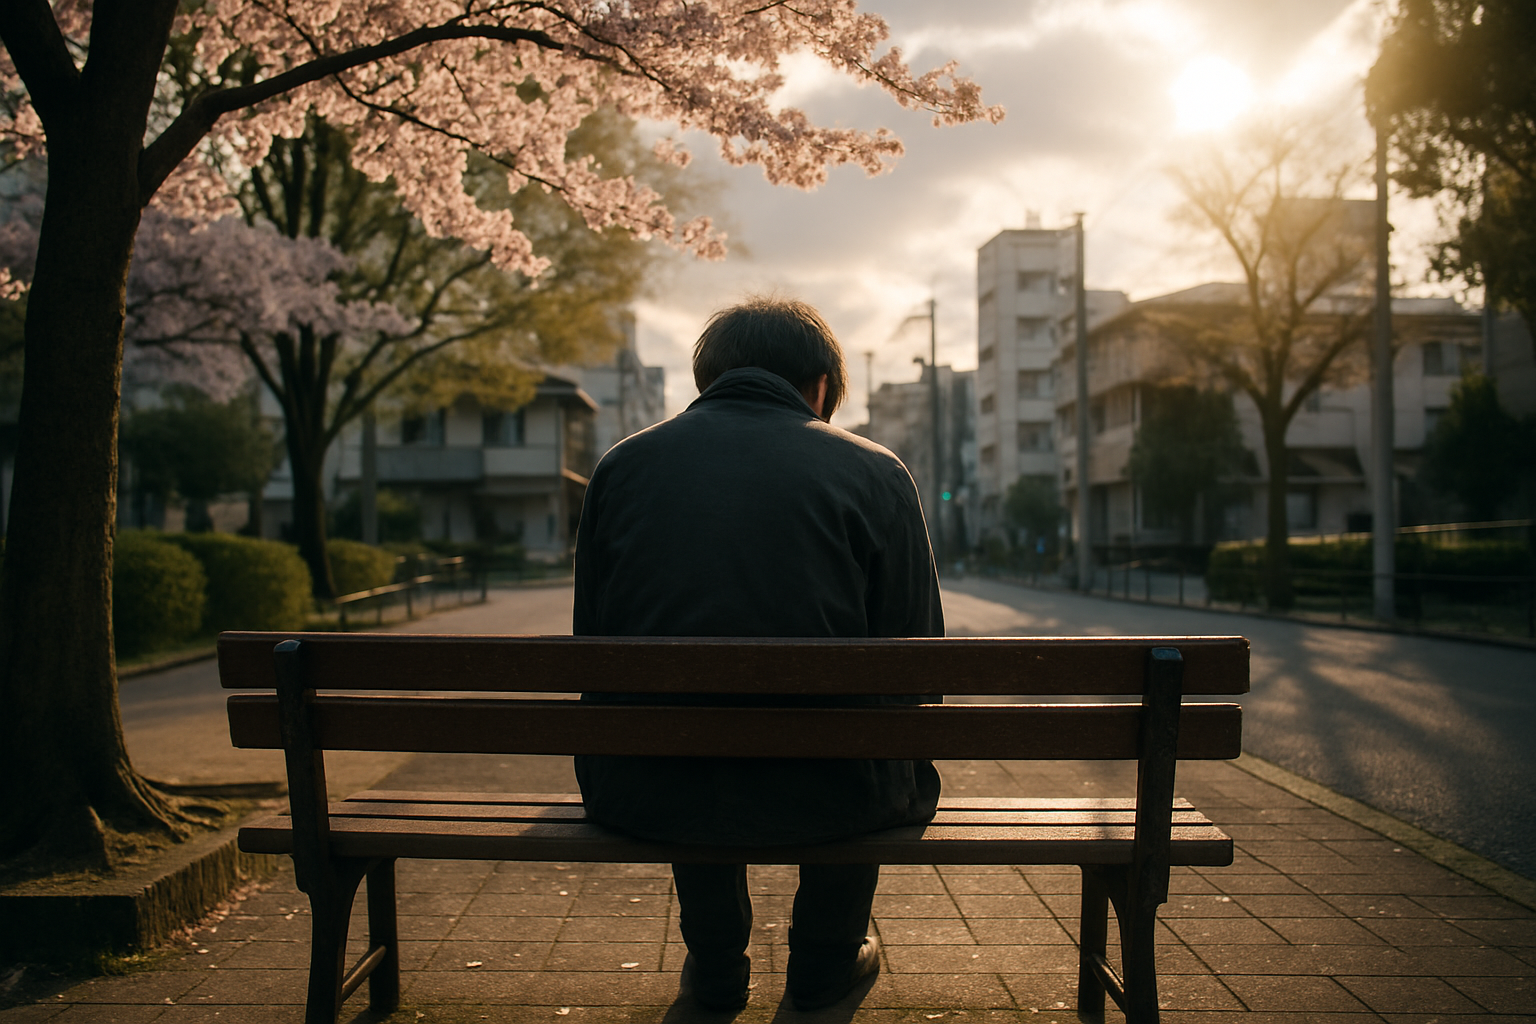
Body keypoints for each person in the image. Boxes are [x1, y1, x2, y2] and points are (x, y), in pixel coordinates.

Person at [572, 296, 943, 1012]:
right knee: (875, 735)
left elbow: (595, 644)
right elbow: (916, 662)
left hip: (650, 785)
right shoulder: (877, 472)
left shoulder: (621, 468)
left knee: (679, 728)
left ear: (707, 382)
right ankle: (827, 958)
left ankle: (713, 965)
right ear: (822, 388)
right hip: (838, 793)